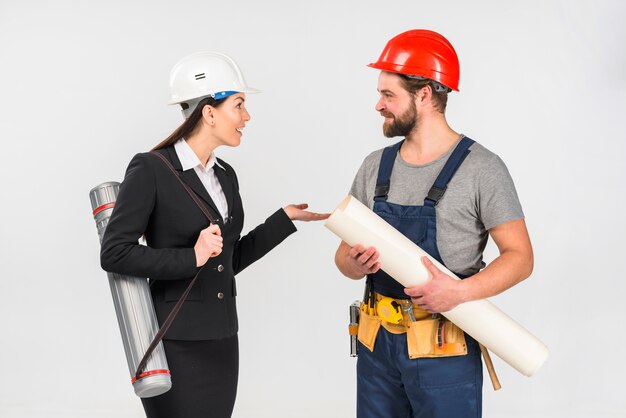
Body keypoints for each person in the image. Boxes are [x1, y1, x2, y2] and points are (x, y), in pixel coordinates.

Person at [101, 51, 328, 418]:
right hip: (173, 343)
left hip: (222, 339)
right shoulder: (151, 169)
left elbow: (229, 259)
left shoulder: (226, 176)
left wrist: (283, 221)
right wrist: (191, 257)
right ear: (209, 112)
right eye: (239, 105)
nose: (247, 116)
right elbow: (114, 253)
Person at [334, 30, 534, 417]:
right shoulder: (375, 166)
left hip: (444, 345)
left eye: (388, 95)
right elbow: (342, 257)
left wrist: (460, 293)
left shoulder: (482, 169)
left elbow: (520, 257)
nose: (378, 105)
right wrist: (352, 263)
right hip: (378, 345)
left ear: (424, 94)